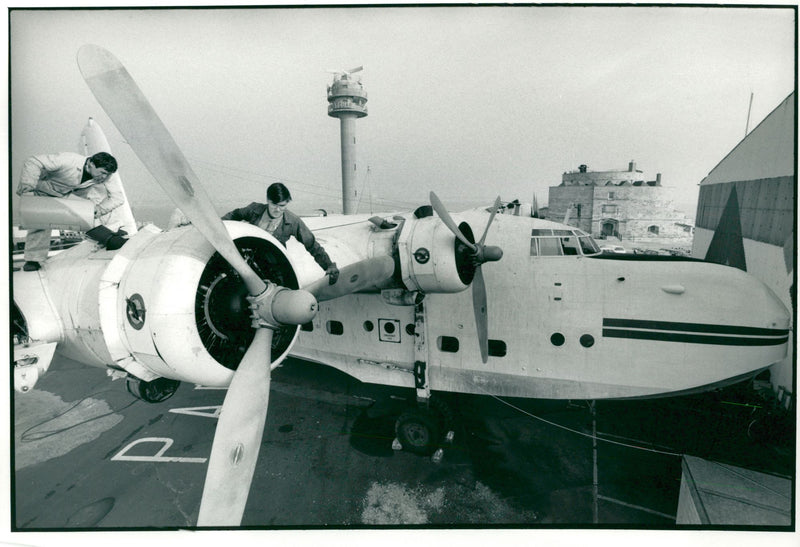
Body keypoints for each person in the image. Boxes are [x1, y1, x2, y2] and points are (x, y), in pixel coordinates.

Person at [16, 151, 124, 271]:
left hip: (70, 194)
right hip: (44, 190)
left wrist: (99, 209)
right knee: (41, 224)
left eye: (108, 174)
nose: (104, 177)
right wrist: (28, 183)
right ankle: (33, 260)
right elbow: (34, 161)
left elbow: (118, 197)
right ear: (91, 164)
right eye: (103, 173)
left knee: (90, 212)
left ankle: (111, 236)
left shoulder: (105, 175)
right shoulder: (68, 160)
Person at [222, 182, 339, 284]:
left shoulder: (293, 221)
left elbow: (312, 245)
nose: (278, 209)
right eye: (274, 204)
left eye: (282, 206)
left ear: (287, 202)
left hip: (273, 267)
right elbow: (233, 215)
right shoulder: (254, 209)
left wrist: (329, 266)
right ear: (268, 200)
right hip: (247, 262)